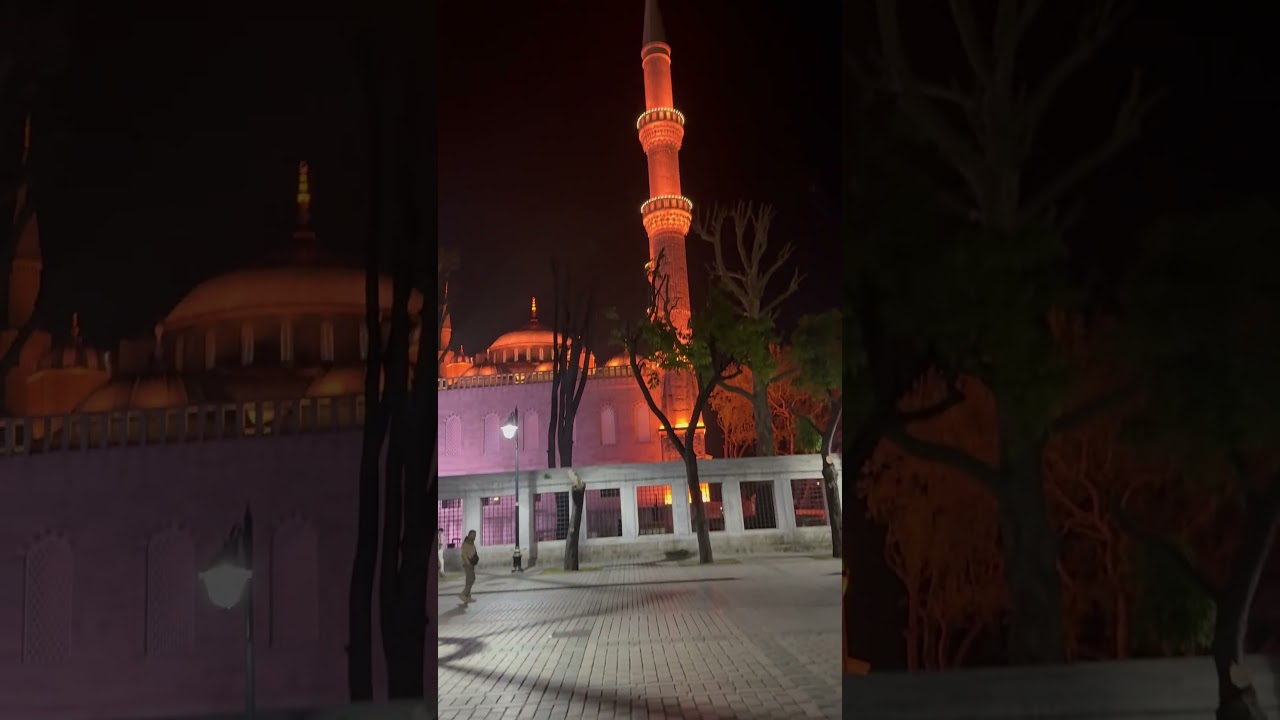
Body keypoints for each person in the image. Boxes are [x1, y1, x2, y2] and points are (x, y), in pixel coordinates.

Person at [459, 530, 479, 603]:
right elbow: (463, 554)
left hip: (471, 564)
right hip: (467, 564)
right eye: (473, 535)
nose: (474, 537)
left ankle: (467, 596)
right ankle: (463, 594)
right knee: (470, 579)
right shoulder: (466, 543)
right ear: (470, 535)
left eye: (475, 535)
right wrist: (468, 563)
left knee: (471, 579)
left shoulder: (471, 542)